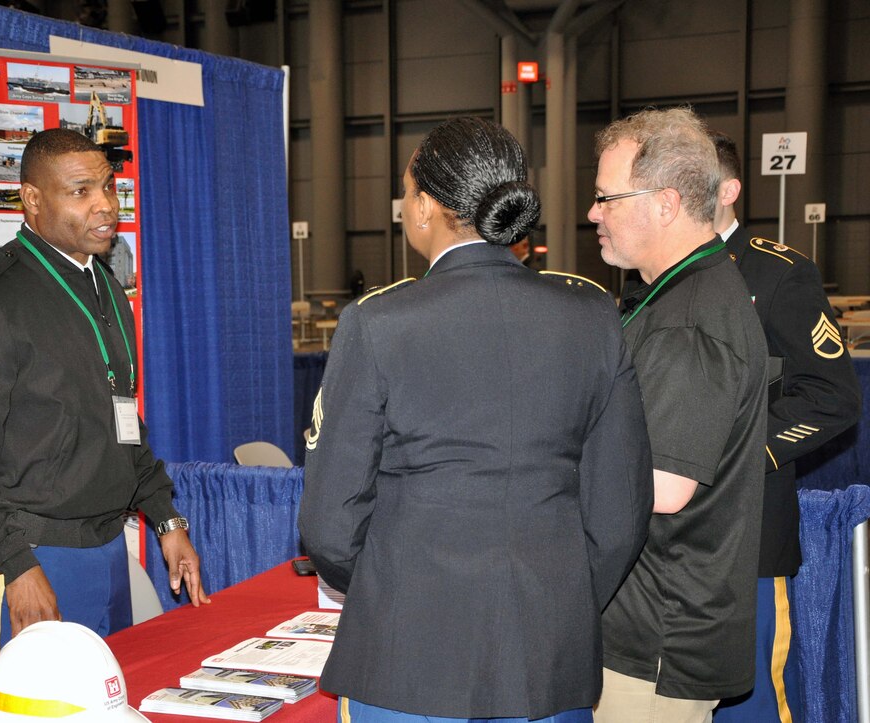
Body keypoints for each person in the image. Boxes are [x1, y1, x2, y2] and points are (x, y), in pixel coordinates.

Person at [299, 117, 654, 723]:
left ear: (426, 207)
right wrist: (559, 595)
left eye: (407, 192)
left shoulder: (379, 322)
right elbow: (621, 510)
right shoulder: (592, 315)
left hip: (406, 663)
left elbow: (330, 523)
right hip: (549, 658)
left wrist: (397, 590)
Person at [0, 128, 209, 691]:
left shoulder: (105, 286)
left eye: (106, 186)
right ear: (32, 199)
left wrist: (165, 517)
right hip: (25, 557)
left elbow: (120, 421)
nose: (103, 205)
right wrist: (15, 564)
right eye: (80, 191)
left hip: (105, 550)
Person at [588, 107, 768, 723]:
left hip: (657, 638)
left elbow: (663, 486)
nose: (594, 213)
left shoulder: (689, 317)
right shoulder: (678, 295)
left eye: (607, 198)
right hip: (648, 625)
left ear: (665, 203)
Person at [708, 131, 861, 723]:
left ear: (727, 190)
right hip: (673, 542)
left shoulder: (778, 275)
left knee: (750, 699)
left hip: (749, 530)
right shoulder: (653, 278)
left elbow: (832, 398)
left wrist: (743, 455)